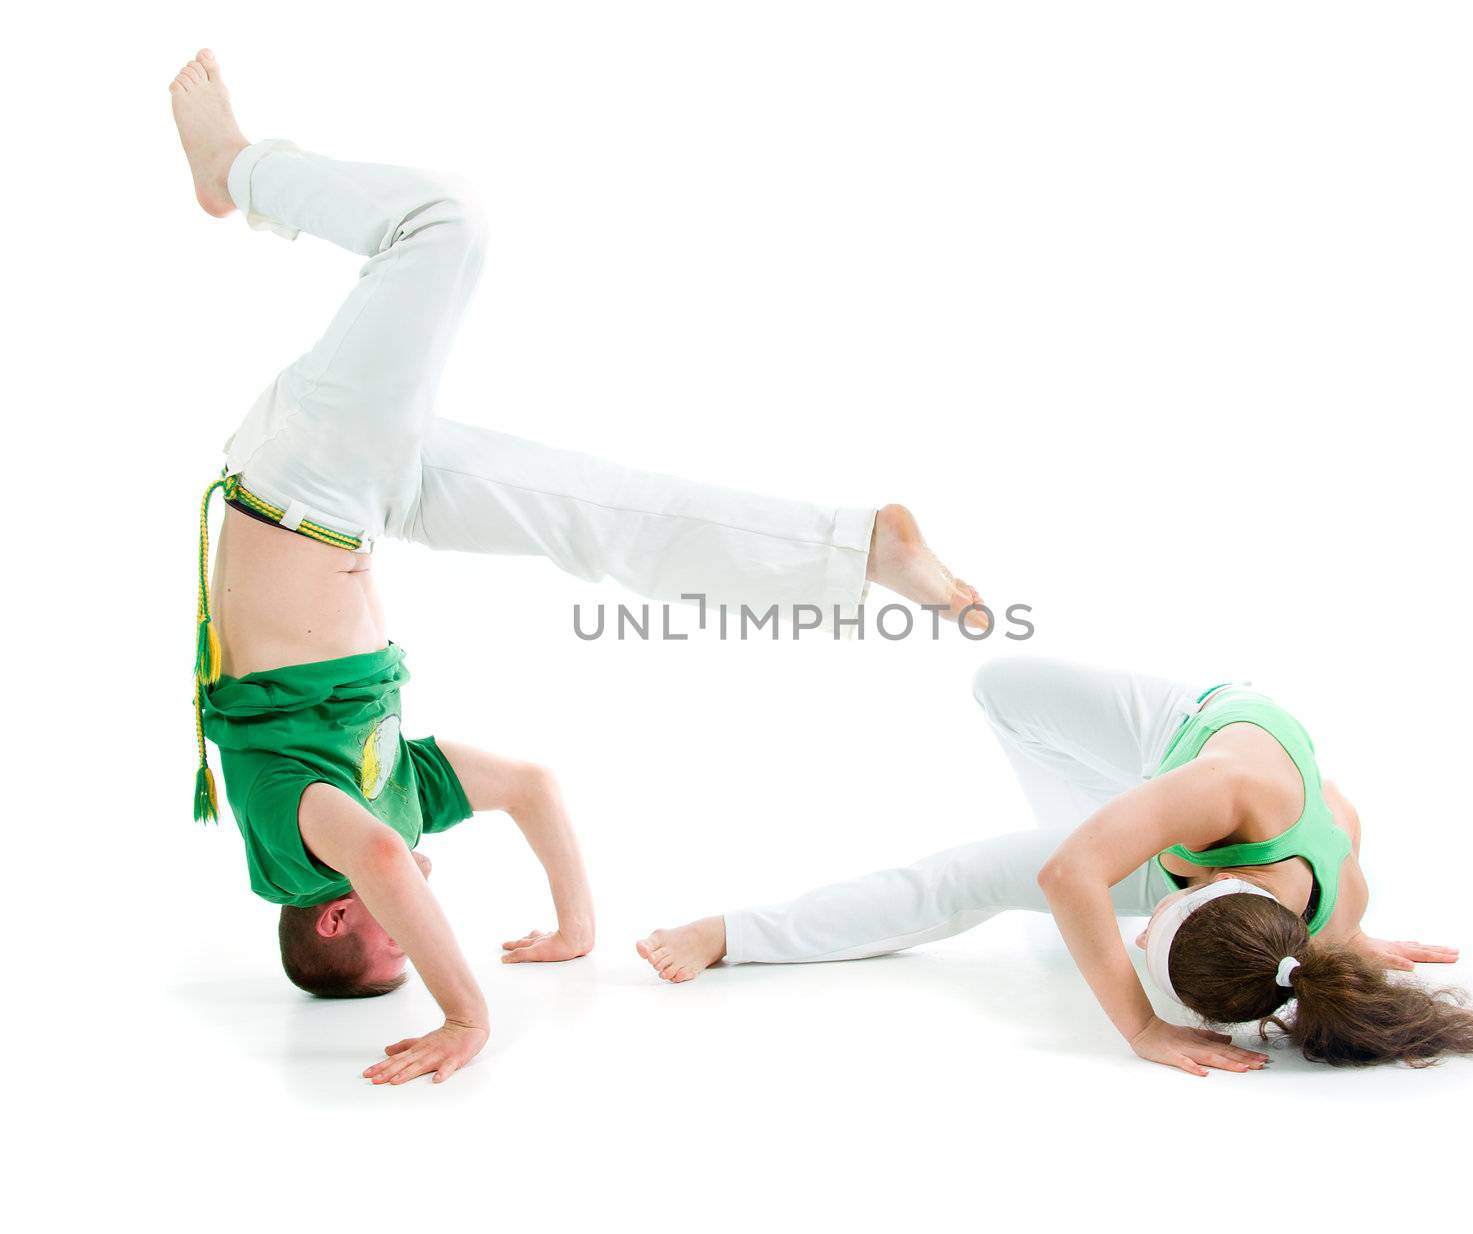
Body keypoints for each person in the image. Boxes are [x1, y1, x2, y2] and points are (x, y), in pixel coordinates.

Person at [171, 48, 985, 1086]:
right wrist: (574, 921)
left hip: (299, 479)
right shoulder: (402, 804)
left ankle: (233, 169)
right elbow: (531, 786)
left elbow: (380, 863)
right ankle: (858, 548)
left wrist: (466, 1012)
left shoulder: (303, 836)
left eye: (395, 943)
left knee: (441, 225)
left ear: (339, 914)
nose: (422, 918)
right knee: (610, 523)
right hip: (363, 507)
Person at [638, 657, 1473, 1073]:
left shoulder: (1329, 910)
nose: (1133, 936)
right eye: (1151, 929)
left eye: (1141, 936)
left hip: (1194, 843)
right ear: (1203, 880)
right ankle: (1109, 816)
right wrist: (1140, 1029)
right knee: (998, 688)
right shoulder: (1223, 789)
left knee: (959, 876)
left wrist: (1356, 948)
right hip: (1185, 722)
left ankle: (729, 934)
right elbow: (1071, 878)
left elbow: (1339, 922)